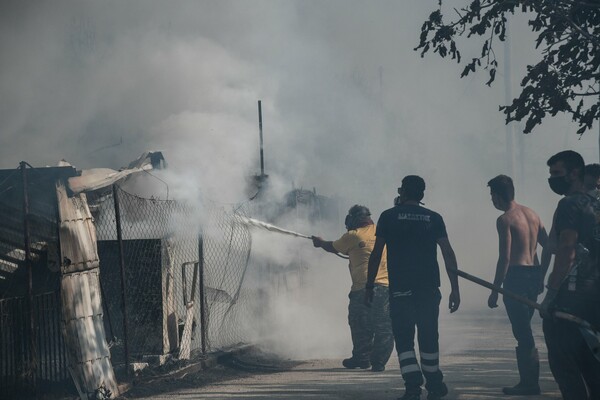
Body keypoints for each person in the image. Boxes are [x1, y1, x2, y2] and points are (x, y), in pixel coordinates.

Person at [366, 175, 460, 400]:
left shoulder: (388, 216)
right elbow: (448, 252)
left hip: (400, 288)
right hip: (428, 288)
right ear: (422, 195)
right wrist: (455, 288)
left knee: (404, 338)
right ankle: (435, 384)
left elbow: (377, 253)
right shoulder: (433, 218)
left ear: (403, 192)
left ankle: (412, 388)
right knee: (429, 336)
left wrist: (369, 285)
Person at [540, 150, 600, 399]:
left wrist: (551, 295)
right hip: (593, 303)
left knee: (567, 370)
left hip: (568, 304)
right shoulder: (594, 207)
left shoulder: (568, 204)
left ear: (575, 173)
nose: (552, 179)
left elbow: (565, 249)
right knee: (594, 372)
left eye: (557, 173)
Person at [486, 175, 549, 395]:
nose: (491, 200)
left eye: (491, 195)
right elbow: (547, 246)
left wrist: (494, 291)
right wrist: (541, 275)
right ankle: (529, 382)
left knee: (522, 332)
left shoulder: (505, 219)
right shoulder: (532, 214)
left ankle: (530, 384)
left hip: (517, 277)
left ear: (497, 195)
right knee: (524, 330)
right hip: (532, 275)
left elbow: (505, 258)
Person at [312, 205, 394, 372]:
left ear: (354, 219)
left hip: (362, 288)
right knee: (383, 325)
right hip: (385, 287)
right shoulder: (383, 230)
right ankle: (378, 361)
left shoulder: (353, 235)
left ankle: (362, 358)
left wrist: (320, 243)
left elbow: (332, 247)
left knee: (359, 324)